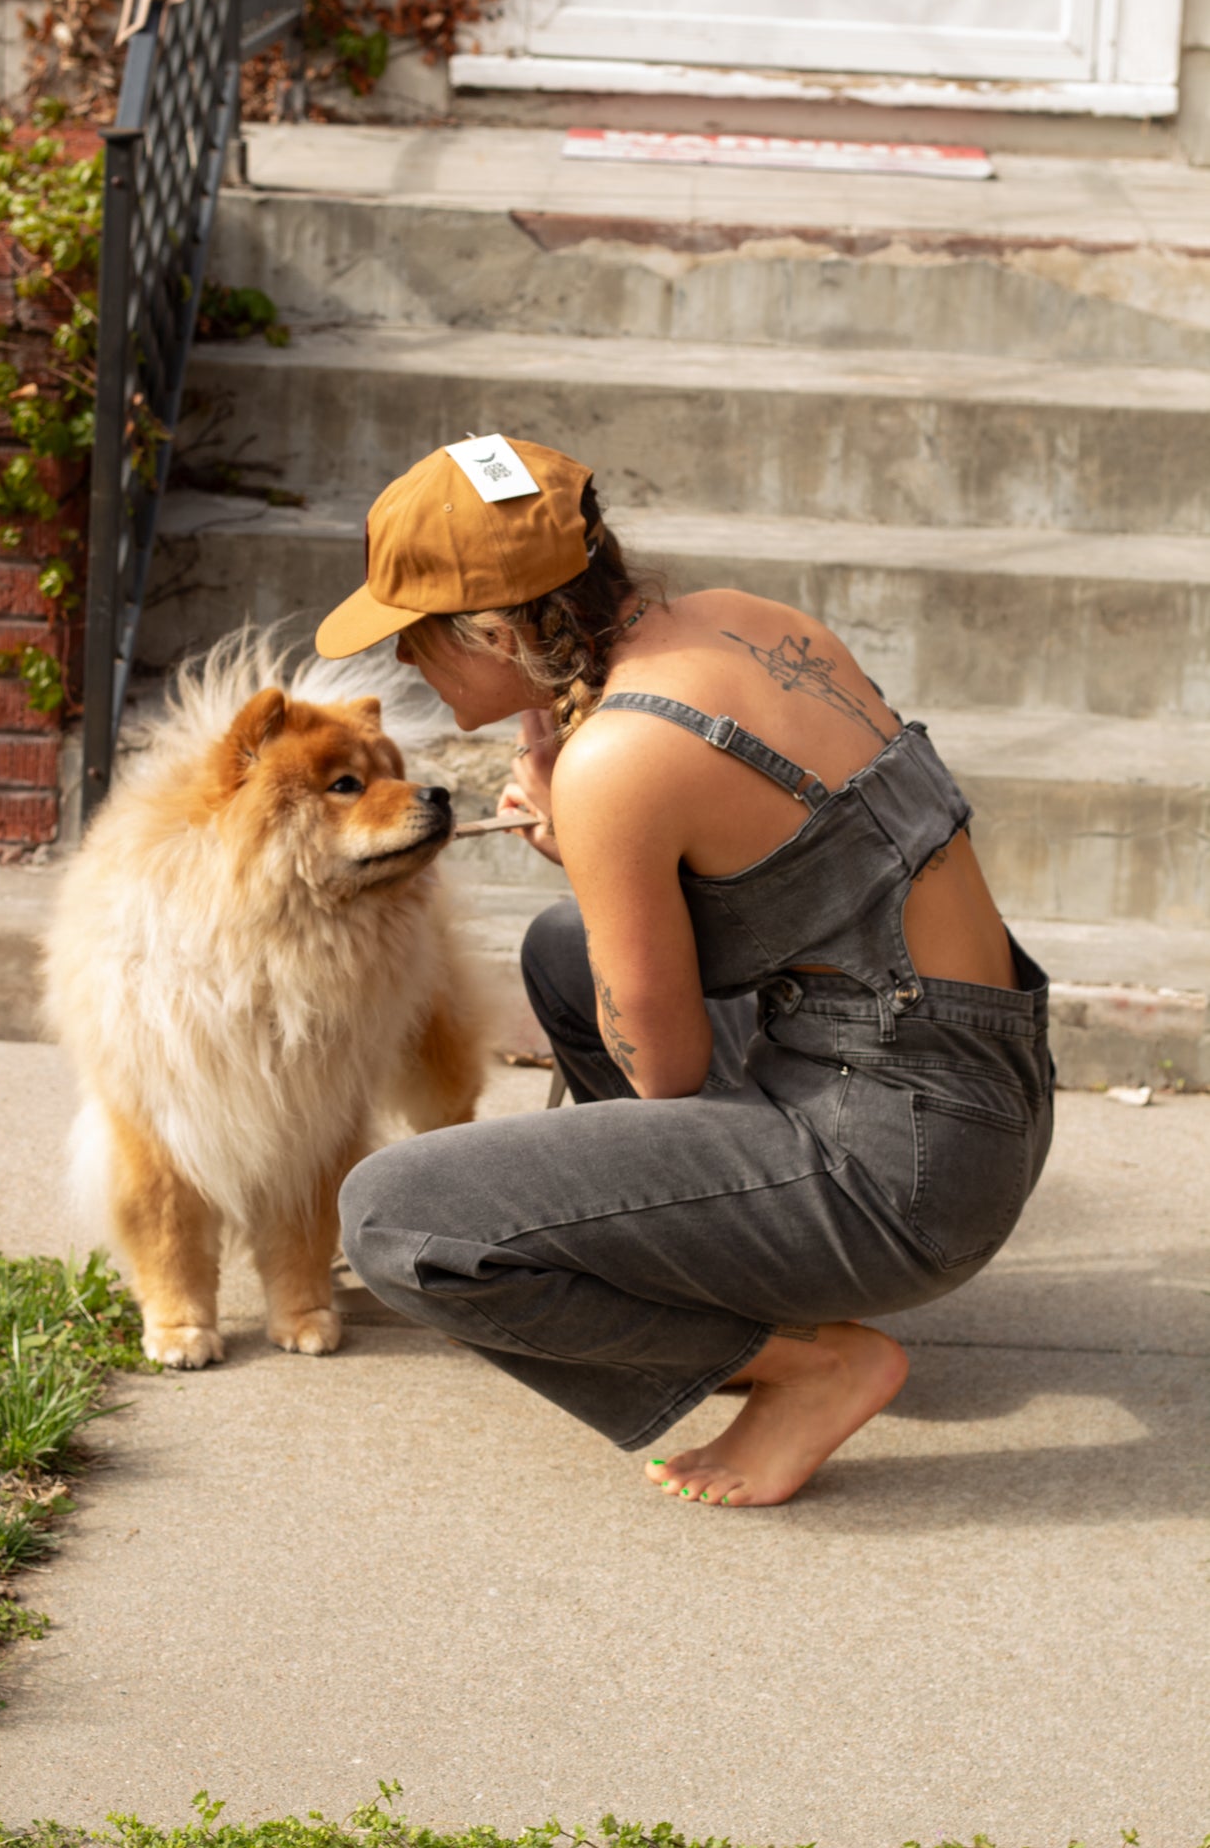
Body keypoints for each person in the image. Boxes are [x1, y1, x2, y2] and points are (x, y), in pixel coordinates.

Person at [315, 435, 1054, 1507]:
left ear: (492, 629)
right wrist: (587, 835)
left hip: (907, 1180)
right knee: (565, 952)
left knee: (397, 1220)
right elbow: (792, 872)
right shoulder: (749, 619)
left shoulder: (622, 754)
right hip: (985, 1101)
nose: (403, 664)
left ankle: (809, 1363)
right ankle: (746, 1271)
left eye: (415, 635)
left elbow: (663, 1071)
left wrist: (581, 808)